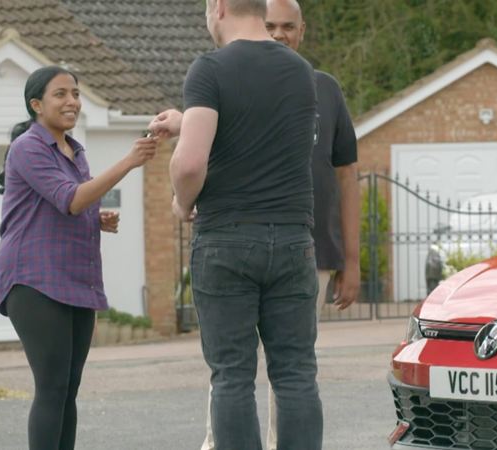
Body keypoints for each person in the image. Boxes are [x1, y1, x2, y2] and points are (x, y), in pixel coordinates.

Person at [148, 0, 322, 448]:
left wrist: (181, 202)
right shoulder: (301, 71)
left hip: (227, 237)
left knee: (232, 376)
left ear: (218, 7)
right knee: (296, 373)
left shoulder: (209, 70)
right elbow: (258, 127)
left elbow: (189, 165)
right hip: (291, 237)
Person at [198, 0, 361, 448]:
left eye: (288, 26)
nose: (279, 33)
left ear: (303, 29)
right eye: (270, 25)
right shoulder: (244, 77)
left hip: (301, 246)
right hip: (266, 240)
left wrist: (351, 258)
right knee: (252, 371)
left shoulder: (321, 87)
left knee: (276, 371)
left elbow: (347, 175)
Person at [0, 65, 157, 450]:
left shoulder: (74, 150)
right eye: (60, 94)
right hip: (33, 282)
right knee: (51, 387)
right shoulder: (28, 147)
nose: (72, 102)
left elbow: (65, 201)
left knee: (67, 389)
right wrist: (128, 161)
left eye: (75, 93)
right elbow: (69, 198)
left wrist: (94, 216)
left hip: (74, 280)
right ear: (36, 104)